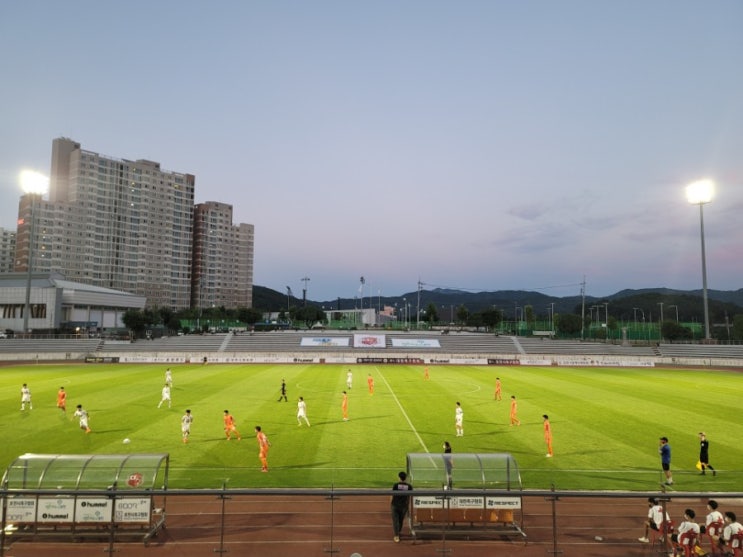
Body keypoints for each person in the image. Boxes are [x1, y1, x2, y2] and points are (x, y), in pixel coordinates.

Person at [390, 471, 413, 543]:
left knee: (395, 521)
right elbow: (409, 496)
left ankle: (396, 535)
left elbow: (391, 495)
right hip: (403, 506)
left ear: (399, 477)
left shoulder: (395, 485)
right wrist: (408, 504)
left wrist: (390, 504)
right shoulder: (409, 487)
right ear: (405, 478)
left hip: (395, 506)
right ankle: (398, 532)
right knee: (400, 520)